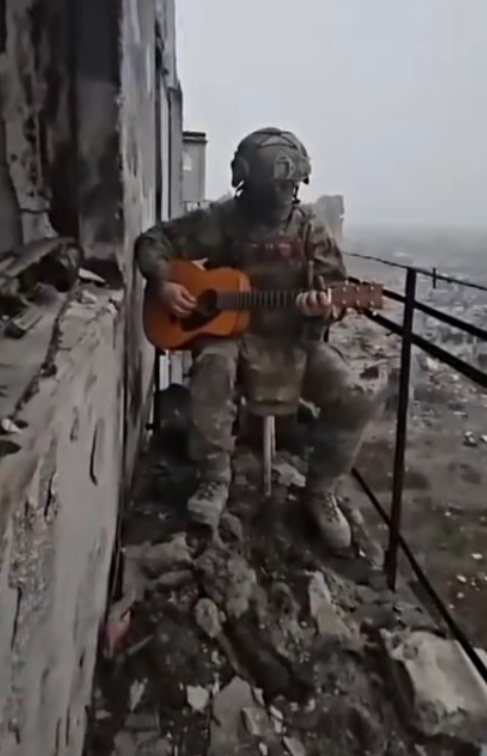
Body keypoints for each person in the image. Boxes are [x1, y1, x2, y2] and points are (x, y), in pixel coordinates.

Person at [134, 127, 383, 551]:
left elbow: (336, 288)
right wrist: (163, 283)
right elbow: (153, 241)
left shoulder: (310, 228)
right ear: (248, 180)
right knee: (213, 367)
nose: (287, 193)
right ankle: (214, 478)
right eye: (278, 185)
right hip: (234, 337)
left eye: (292, 185)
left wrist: (327, 306)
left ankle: (320, 491)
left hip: (294, 344)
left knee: (354, 397)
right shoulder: (222, 220)